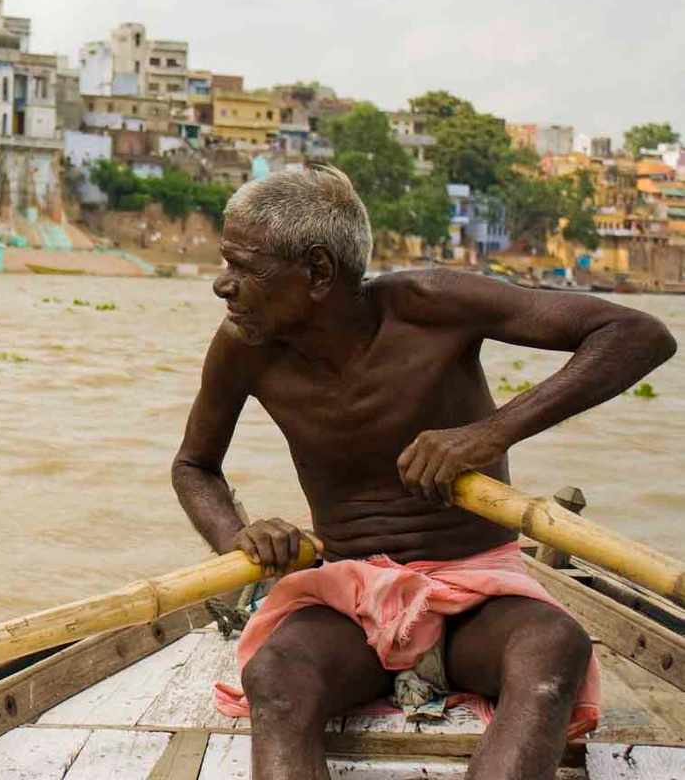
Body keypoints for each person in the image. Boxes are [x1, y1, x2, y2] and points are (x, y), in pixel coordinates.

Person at [172, 165, 675, 780]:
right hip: (347, 596)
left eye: (243, 267)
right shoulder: (243, 346)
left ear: (319, 273)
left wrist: (489, 433)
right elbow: (196, 466)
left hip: (479, 593)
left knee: (553, 651)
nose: (224, 285)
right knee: (275, 678)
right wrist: (237, 537)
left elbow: (636, 335)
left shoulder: (433, 307)